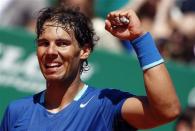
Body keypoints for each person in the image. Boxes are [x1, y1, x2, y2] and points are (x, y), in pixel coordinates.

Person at [0, 6, 181, 131]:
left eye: (62, 43)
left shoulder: (105, 105)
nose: (51, 51)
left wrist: (140, 39)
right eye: (44, 43)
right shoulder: (16, 112)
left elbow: (167, 110)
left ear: (85, 50)